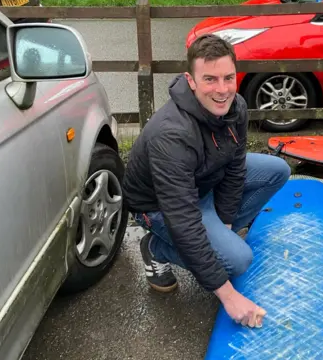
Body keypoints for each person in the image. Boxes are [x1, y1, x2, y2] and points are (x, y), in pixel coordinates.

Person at [122, 34, 291, 328]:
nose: (222, 90)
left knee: (277, 170)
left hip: (202, 181)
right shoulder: (171, 135)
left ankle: (218, 238)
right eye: (210, 79)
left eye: (228, 78)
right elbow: (182, 217)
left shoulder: (234, 106)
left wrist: (225, 221)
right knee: (237, 261)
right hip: (159, 205)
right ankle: (155, 248)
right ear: (191, 80)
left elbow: (236, 167)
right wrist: (228, 296)